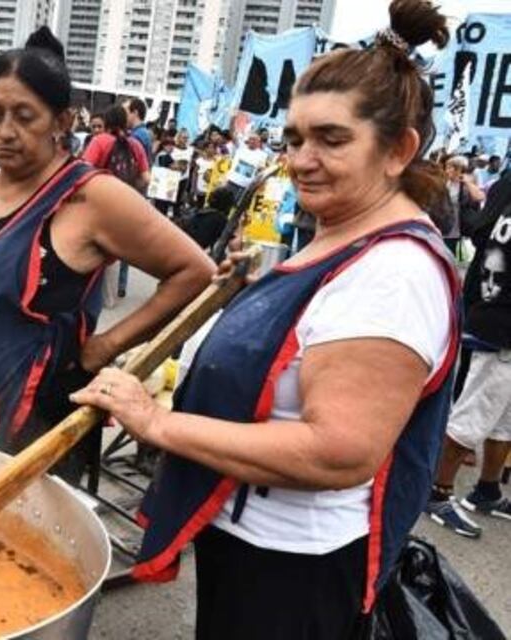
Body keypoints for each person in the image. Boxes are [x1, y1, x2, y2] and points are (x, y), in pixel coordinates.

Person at [71, 2, 461, 636]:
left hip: (295, 570)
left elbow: (337, 452)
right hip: (249, 542)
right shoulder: (340, 231)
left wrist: (157, 422)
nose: (302, 159)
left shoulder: (395, 273)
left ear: (398, 150)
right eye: (294, 138)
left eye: (332, 139)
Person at [0, 28, 214, 484]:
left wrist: (106, 347)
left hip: (25, 419)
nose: (5, 132)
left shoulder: (92, 197)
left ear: (63, 121)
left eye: (25, 116)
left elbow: (194, 271)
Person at [424, 167, 511, 538]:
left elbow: (480, 227)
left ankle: (487, 488)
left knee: (504, 418)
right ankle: (437, 491)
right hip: (500, 325)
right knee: (474, 414)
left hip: (493, 315)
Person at [82, 105, 152, 298]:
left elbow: (83, 171)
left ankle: (90, 294)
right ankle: (112, 294)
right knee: (119, 248)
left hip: (100, 204)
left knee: (94, 247)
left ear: (107, 122)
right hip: (126, 205)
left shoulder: (99, 141)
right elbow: (146, 178)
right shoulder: (135, 145)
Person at [222, 132, 269, 201]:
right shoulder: (241, 148)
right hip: (232, 181)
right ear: (248, 140)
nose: (252, 141)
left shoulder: (263, 155)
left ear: (258, 142)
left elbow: (261, 171)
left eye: (254, 140)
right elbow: (232, 133)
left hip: (245, 186)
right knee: (224, 201)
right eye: (251, 139)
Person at [123, 97, 153, 162]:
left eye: (125, 113)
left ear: (135, 113)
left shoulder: (137, 136)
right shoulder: (143, 133)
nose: (123, 117)